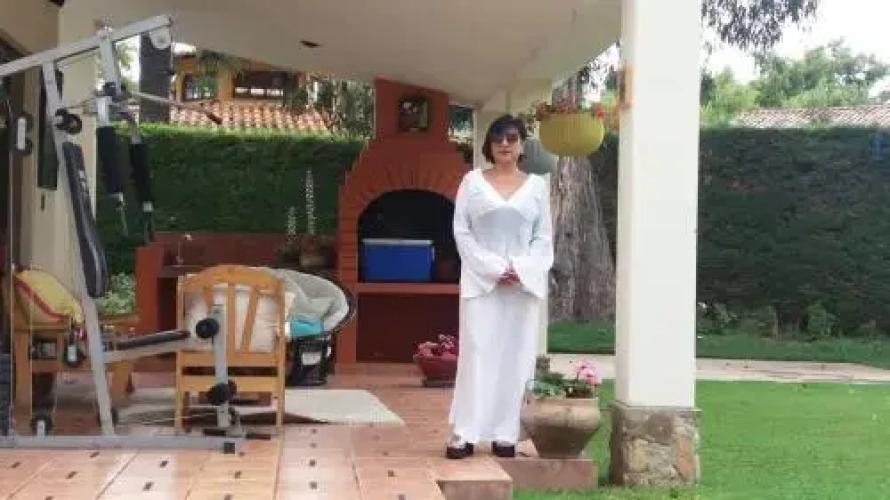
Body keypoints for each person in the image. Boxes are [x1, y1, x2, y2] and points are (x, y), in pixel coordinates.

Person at [446, 114, 554, 459]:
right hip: (482, 286)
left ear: (522, 145)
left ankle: (506, 435)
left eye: (511, 138)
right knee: (477, 354)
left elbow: (543, 238)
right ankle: (465, 434)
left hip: (521, 289)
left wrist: (519, 270)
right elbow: (462, 231)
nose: (504, 144)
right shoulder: (472, 182)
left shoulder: (537, 187)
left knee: (516, 358)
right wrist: (494, 269)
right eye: (498, 139)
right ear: (488, 146)